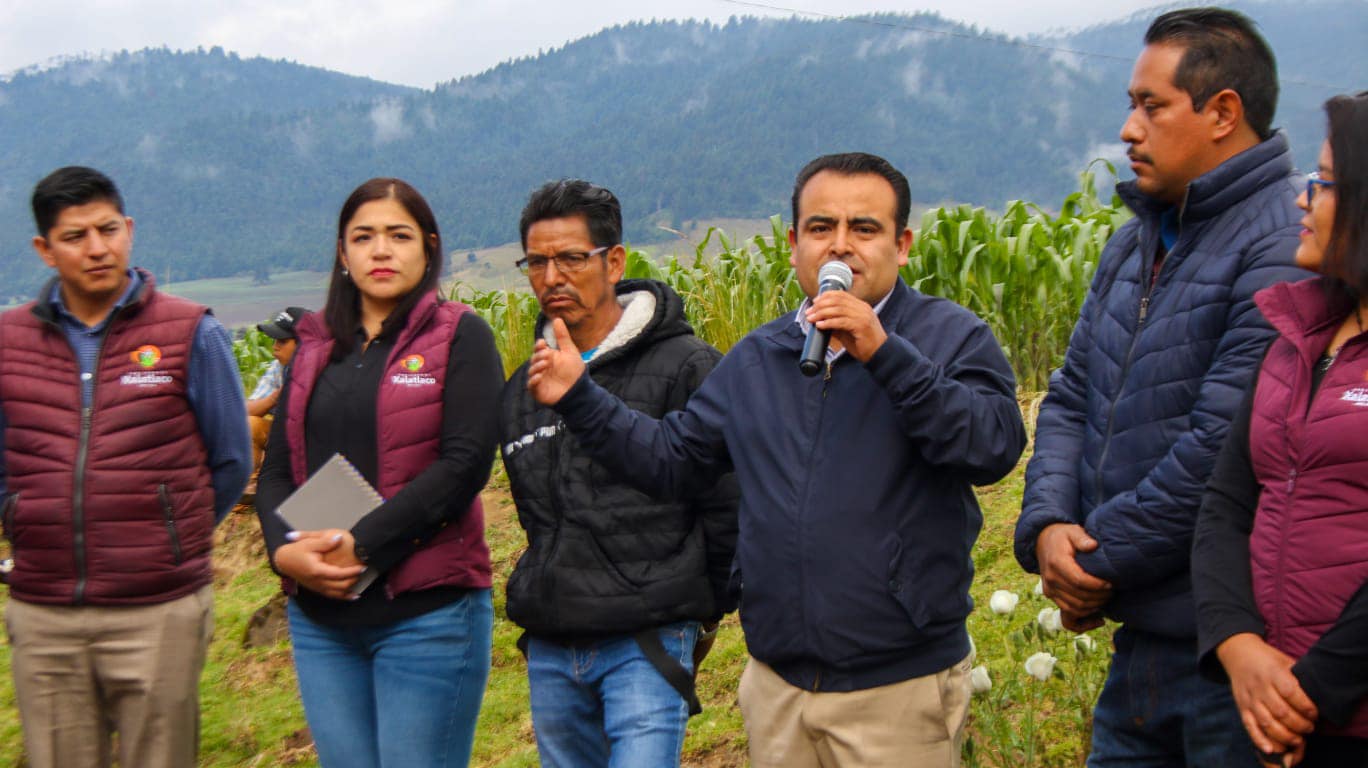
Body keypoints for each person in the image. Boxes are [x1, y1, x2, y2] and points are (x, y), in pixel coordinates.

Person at [526, 152, 1026, 767]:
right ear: (793, 245)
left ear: (903, 244)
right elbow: (673, 459)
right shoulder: (760, 356)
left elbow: (994, 445)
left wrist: (884, 352)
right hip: (778, 687)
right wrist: (581, 397)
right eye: (821, 229)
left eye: (864, 229)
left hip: (898, 687)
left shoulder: (950, 335)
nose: (839, 247)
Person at [1014, 8, 1311, 766]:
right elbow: (1072, 391)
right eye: (1130, 104)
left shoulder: (1279, 245)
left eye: (1151, 106)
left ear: (1222, 113)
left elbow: (1221, 445)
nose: (1128, 130)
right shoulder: (1135, 239)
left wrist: (1094, 560)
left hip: (1228, 648)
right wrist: (1048, 525)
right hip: (1141, 638)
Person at [0, 166, 252, 768]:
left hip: (158, 608)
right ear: (45, 249)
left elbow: (231, 457)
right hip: (45, 612)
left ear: (129, 230)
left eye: (108, 229)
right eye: (75, 236)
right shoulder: (7, 342)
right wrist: (23, 519)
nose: (96, 248)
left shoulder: (190, 331)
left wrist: (172, 534)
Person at [254, 178, 502, 767]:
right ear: (343, 254)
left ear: (429, 247)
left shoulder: (460, 334)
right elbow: (279, 470)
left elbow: (464, 466)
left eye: (399, 235)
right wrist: (281, 554)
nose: (381, 250)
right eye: (363, 237)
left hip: (427, 615)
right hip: (322, 619)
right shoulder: (313, 345)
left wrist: (360, 545)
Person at [499, 180, 739, 767]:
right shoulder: (522, 391)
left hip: (647, 641)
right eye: (537, 261)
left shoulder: (686, 365)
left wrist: (700, 613)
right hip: (554, 648)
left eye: (571, 258)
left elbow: (726, 505)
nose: (552, 276)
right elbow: (537, 517)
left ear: (614, 262)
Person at [1195, 91, 1368, 768]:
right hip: (1272, 709)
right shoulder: (1299, 339)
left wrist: (1309, 694)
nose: (1303, 200)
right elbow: (1227, 503)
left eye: (1323, 184)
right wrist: (1237, 646)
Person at [245, 306, 306, 487]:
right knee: (250, 424)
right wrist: (278, 396)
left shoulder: (326, 369)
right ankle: (250, 484)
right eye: (275, 340)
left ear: (303, 343)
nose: (275, 347)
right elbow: (246, 409)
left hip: (316, 442)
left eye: (282, 341)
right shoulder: (280, 367)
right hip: (286, 435)